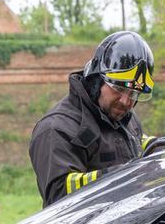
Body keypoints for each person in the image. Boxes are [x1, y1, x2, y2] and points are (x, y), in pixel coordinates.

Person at [29, 31, 154, 207]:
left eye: (134, 93)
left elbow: (134, 142)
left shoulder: (124, 119)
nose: (126, 101)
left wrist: (160, 148)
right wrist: (128, 176)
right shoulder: (56, 129)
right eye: (118, 88)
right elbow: (59, 196)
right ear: (96, 80)